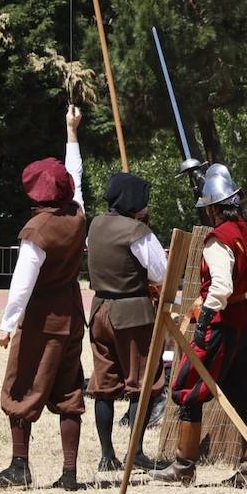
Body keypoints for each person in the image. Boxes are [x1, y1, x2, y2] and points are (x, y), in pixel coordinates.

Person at [0, 107, 87, 491]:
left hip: (42, 318)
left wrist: (7, 326)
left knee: (21, 384)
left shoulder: (36, 230)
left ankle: (19, 466)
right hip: (73, 314)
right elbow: (75, 177)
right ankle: (71, 473)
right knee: (69, 388)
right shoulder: (77, 215)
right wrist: (71, 133)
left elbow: (22, 283)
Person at [151, 165, 247, 487]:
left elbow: (220, 287)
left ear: (216, 208)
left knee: (189, 389)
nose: (208, 216)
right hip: (242, 321)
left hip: (221, 321)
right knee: (243, 393)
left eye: (209, 210)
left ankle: (184, 465)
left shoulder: (220, 239)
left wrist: (203, 321)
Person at [86, 170, 168, 473]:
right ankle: (136, 453)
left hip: (99, 310)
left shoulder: (94, 224)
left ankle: (107, 455)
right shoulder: (138, 233)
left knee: (104, 385)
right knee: (141, 382)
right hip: (132, 313)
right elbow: (160, 273)